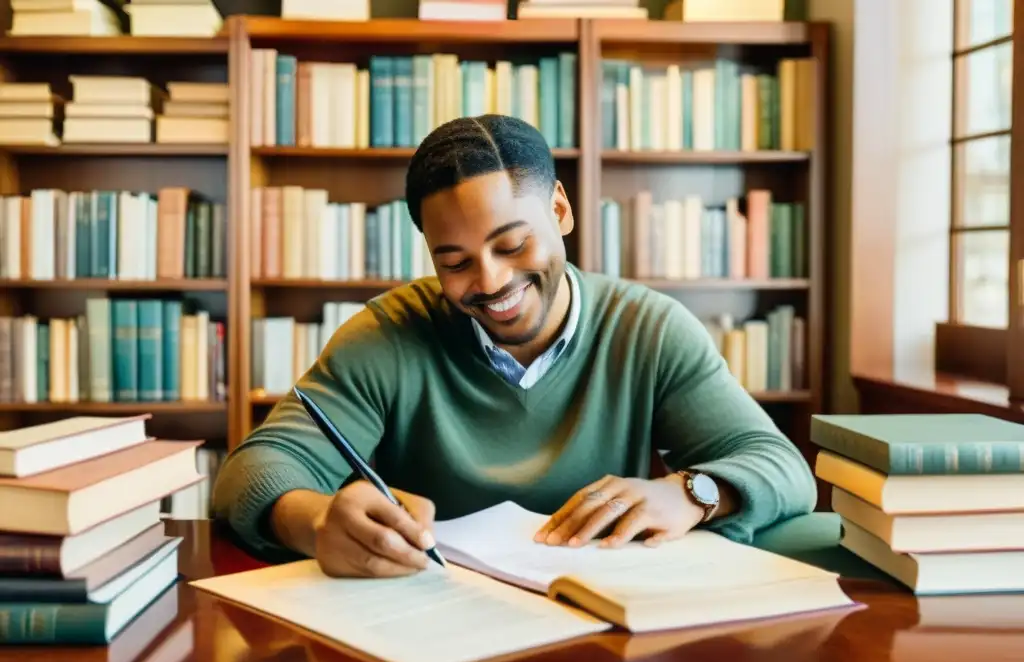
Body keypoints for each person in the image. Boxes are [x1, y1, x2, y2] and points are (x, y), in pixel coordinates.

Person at [211, 114, 817, 577]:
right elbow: (251, 474)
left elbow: (783, 468)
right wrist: (318, 522)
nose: (492, 282)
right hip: (431, 623)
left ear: (559, 208)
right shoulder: (386, 334)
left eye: (512, 245)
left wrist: (691, 493)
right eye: (455, 262)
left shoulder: (650, 328)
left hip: (602, 628)